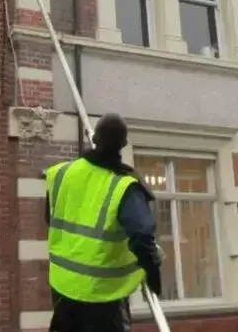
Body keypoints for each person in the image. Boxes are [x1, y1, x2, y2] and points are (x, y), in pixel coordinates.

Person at [44, 113, 162, 332]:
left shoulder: (61, 174)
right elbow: (142, 236)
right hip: (103, 299)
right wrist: (153, 273)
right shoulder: (125, 187)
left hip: (63, 289)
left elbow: (50, 217)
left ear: (95, 139)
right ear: (124, 144)